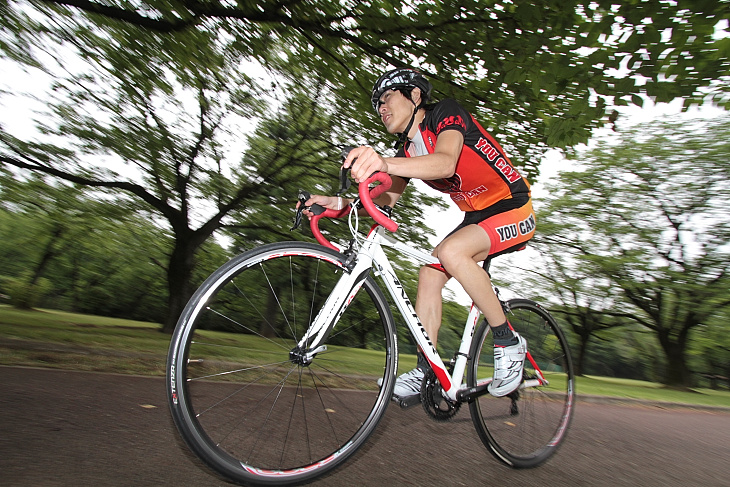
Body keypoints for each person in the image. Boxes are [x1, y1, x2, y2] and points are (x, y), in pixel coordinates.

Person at [302, 68, 535, 401]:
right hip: (478, 215)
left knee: (452, 254)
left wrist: (383, 163)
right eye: (376, 105)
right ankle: (429, 370)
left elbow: (444, 164)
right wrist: (335, 204)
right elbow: (382, 201)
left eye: (386, 98)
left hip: (513, 204)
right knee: (429, 273)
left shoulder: (445, 113)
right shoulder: (406, 149)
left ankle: (508, 342)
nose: (381, 108)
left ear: (414, 96)